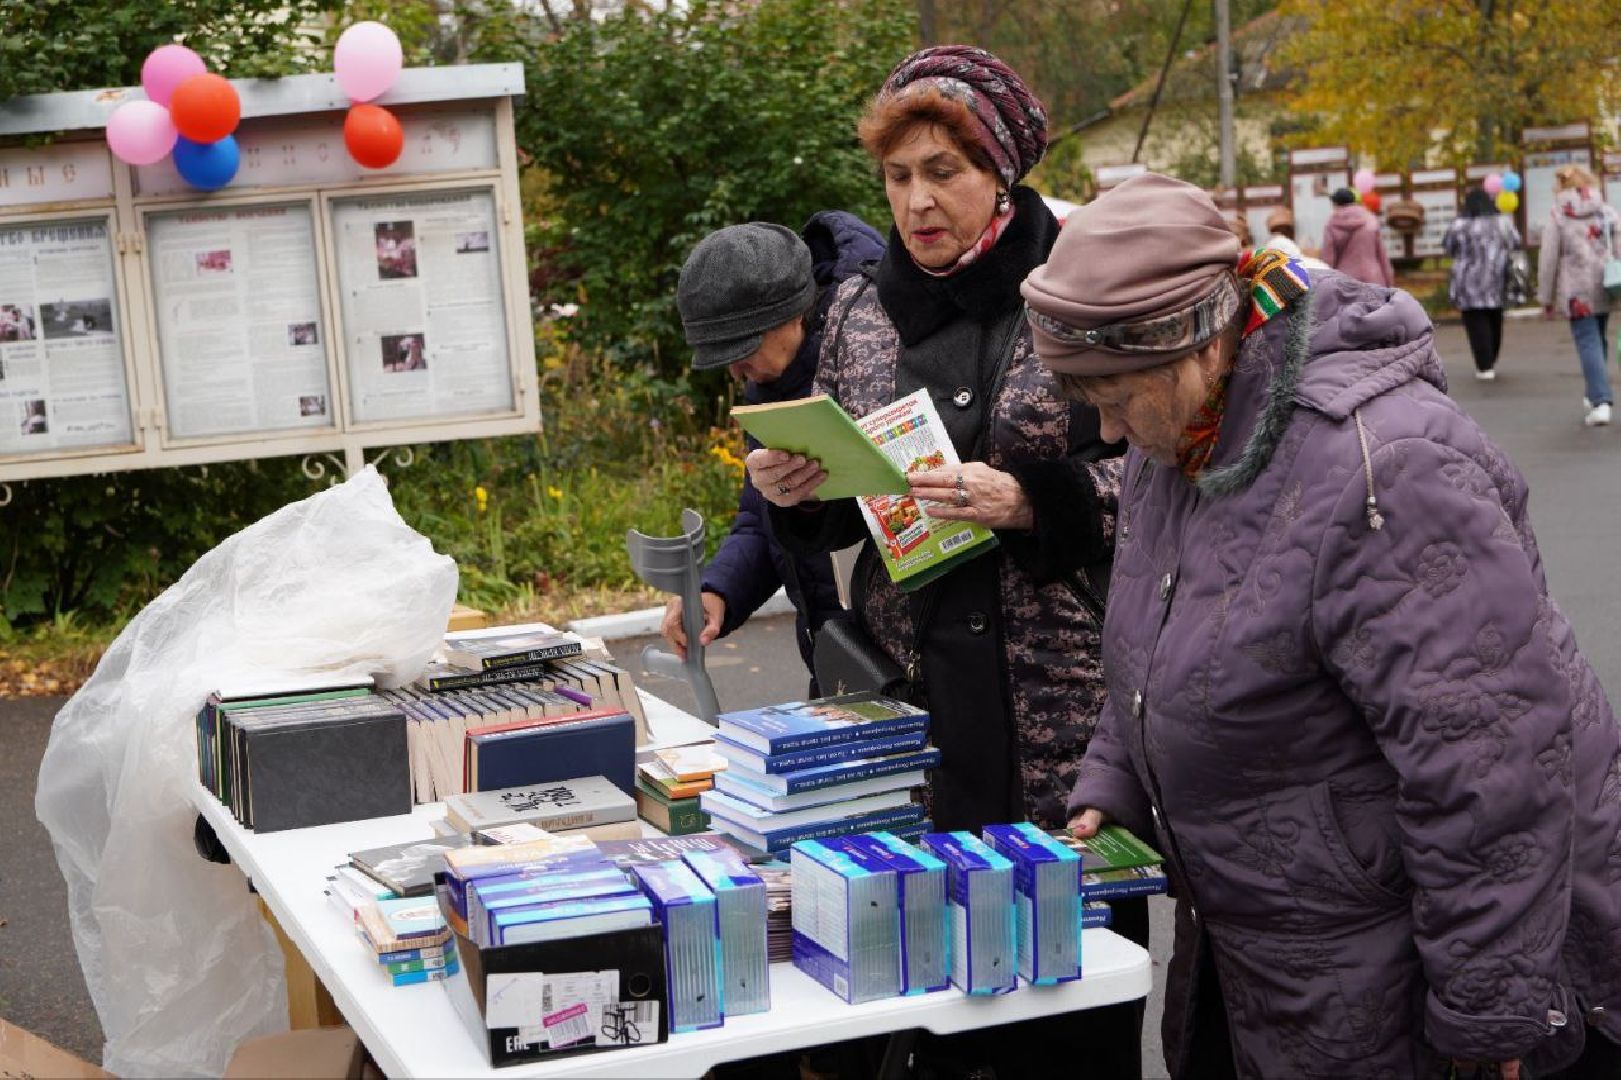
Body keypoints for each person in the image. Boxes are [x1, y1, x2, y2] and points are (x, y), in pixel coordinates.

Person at [1022, 172, 1621, 1080]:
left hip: (1393, 968)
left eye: (1110, 392)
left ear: (1193, 345)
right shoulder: (1181, 441)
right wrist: (1113, 779)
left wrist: (1490, 1009)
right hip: (1263, 946)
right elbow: (1156, 633)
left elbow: (1491, 767)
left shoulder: (1385, 464)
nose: (1102, 428)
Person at [748, 45, 1138, 1077]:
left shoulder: (1082, 288)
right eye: (896, 176)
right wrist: (797, 497)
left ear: (999, 170)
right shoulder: (859, 310)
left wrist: (1032, 499)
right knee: (926, 1016)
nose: (915, 203)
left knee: (1069, 1013)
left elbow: (1166, 484)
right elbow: (849, 499)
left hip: (1061, 726)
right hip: (913, 732)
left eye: (942, 173)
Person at [664, 214, 885, 680]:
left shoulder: (874, 352)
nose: (736, 371)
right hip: (837, 656)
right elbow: (763, 516)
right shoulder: (773, 385)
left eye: (742, 350)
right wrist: (717, 591)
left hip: (898, 652)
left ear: (792, 313)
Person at [1537, 163, 1620, 426]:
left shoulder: (1558, 215)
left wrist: (1545, 298)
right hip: (1606, 284)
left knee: (1587, 342)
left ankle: (1600, 400)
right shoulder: (1606, 211)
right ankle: (1593, 390)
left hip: (1576, 291)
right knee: (1598, 340)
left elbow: (1548, 259)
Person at [1443, 187, 1522, 381]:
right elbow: (1515, 243)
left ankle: (1484, 364)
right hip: (1497, 279)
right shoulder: (1503, 223)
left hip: (1468, 282)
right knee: (1495, 320)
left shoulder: (1459, 225)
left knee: (1475, 323)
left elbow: (1448, 247)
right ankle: (1491, 358)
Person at [1320, 186, 1394, 286]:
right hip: (1373, 280)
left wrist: (1323, 285)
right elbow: (1382, 255)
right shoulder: (1371, 220)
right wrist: (1389, 282)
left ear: (1335, 204)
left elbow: (1328, 259)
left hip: (1345, 283)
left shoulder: (1331, 225)